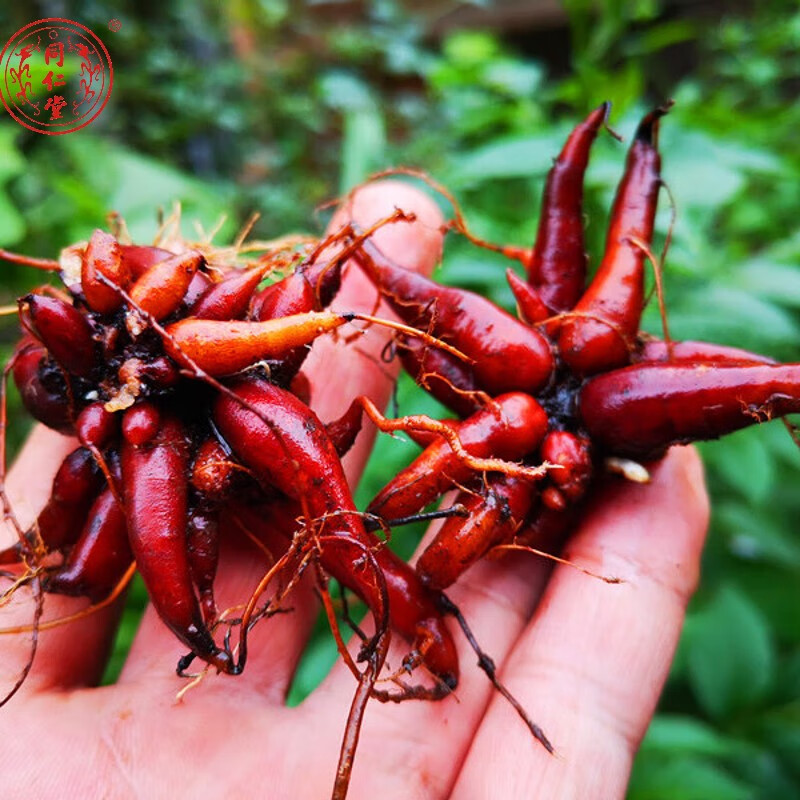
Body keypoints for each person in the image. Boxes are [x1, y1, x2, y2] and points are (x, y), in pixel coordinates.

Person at [0, 182, 709, 799]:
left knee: (322, 513)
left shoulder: (209, 364)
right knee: (266, 511)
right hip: (198, 405)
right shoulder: (141, 421)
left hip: (227, 388)